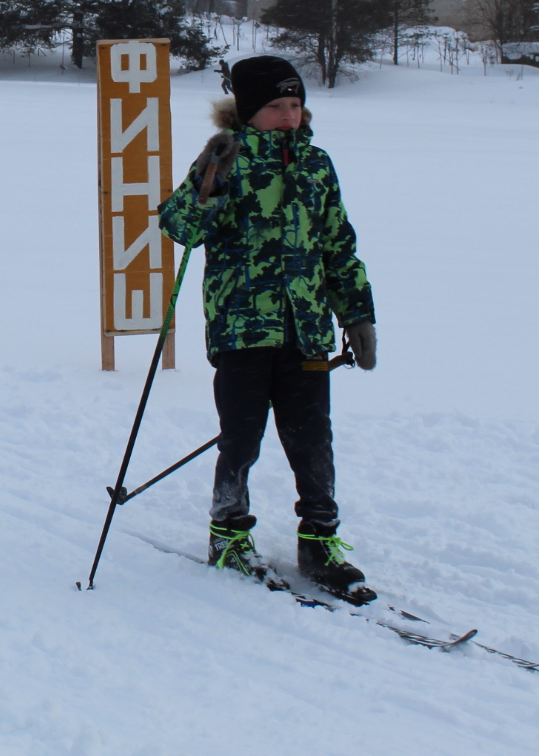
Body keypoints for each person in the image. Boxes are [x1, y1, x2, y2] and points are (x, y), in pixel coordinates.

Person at [158, 55, 379, 600]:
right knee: (242, 436)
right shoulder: (227, 159)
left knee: (312, 439)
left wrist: (357, 313)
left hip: (305, 329)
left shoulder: (317, 165)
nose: (288, 116)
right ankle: (228, 534)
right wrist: (211, 177)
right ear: (247, 112)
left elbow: (338, 244)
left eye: (295, 105)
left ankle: (320, 541)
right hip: (242, 328)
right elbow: (180, 226)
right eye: (276, 107)